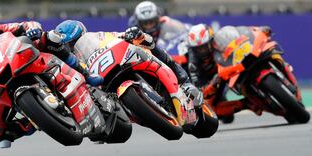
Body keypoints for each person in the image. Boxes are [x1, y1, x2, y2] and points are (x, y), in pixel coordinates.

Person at [0, 16, 103, 147]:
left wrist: (31, 28)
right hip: (0, 88)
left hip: (20, 58)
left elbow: (21, 26)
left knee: (47, 39)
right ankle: (36, 121)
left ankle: (85, 73)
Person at [54, 20, 204, 126]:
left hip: (122, 62)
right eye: (67, 46)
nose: (71, 47)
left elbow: (116, 36)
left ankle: (184, 82)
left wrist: (132, 34)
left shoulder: (98, 36)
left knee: (148, 46)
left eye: (72, 43)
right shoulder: (71, 62)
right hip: (103, 80)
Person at [187, 24, 273, 122]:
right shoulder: (193, 64)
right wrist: (212, 84)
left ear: (211, 40)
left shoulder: (221, 38)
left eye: (204, 46)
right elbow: (199, 91)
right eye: (198, 49)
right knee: (209, 111)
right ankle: (248, 104)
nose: (202, 51)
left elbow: (242, 33)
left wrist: (256, 31)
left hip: (231, 65)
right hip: (215, 79)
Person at [129, 1, 191, 65]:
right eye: (145, 23)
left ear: (157, 19)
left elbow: (185, 30)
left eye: (151, 22)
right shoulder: (134, 36)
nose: (149, 26)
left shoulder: (167, 23)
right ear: (139, 24)